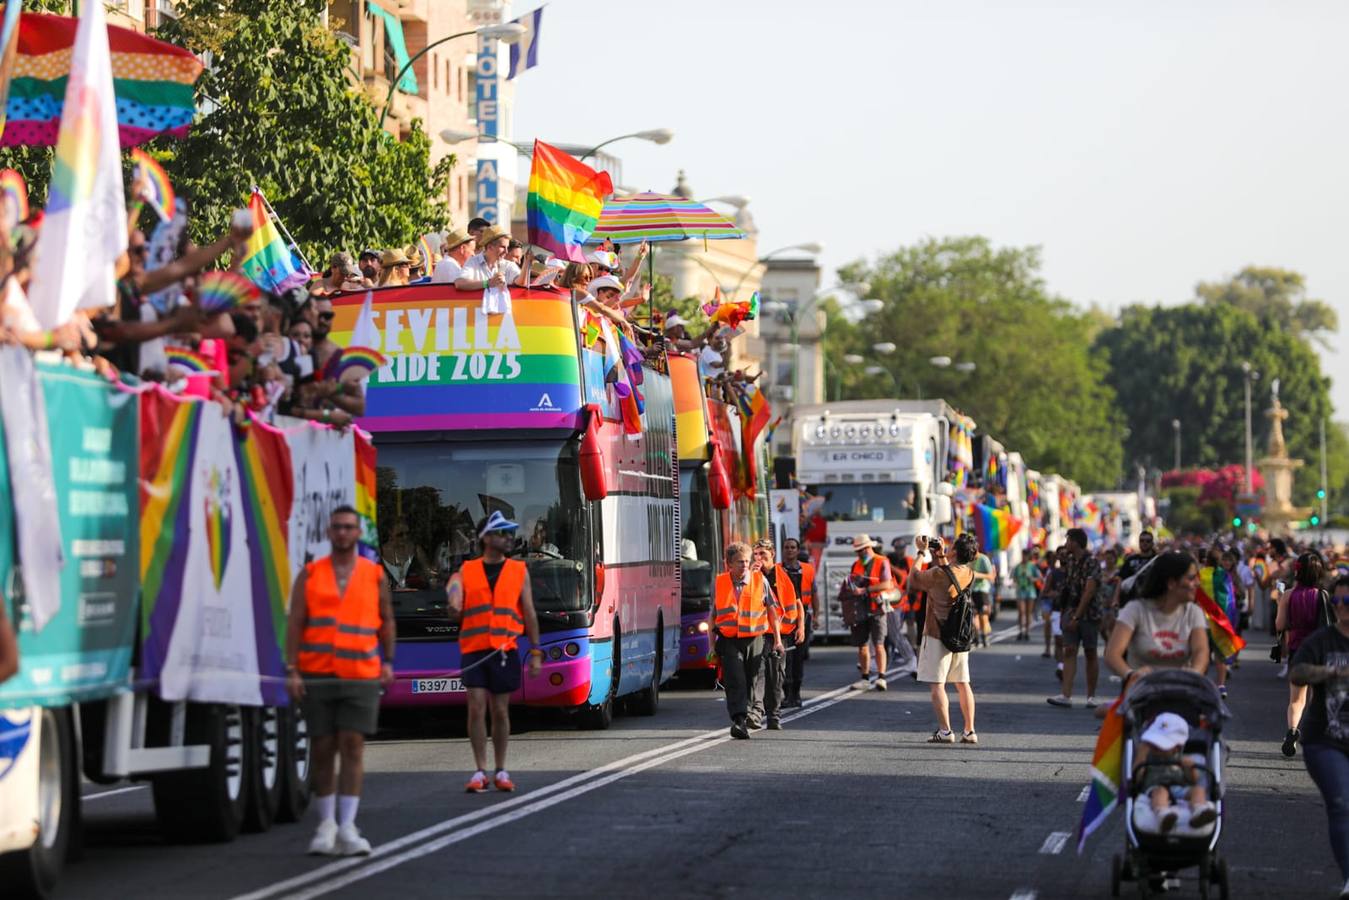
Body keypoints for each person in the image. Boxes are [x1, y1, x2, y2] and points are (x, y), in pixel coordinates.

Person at [284, 506, 394, 856]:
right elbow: (295, 622)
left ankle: (347, 826)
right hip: (318, 674)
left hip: (361, 673)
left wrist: (389, 661)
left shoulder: (373, 574)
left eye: (349, 527)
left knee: (353, 745)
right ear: (329, 532)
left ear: (357, 533)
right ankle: (326, 824)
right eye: (337, 527)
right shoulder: (310, 574)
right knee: (322, 747)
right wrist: (292, 669)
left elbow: (386, 619)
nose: (343, 532)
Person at [445, 511, 543, 792]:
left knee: (500, 711)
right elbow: (454, 599)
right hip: (474, 651)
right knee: (476, 708)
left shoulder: (518, 571)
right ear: (486, 538)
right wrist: (453, 605)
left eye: (510, 533)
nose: (509, 538)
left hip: (503, 651)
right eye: (502, 533)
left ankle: (501, 769)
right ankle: (479, 771)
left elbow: (529, 613)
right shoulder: (465, 571)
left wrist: (536, 652)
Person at [1290, 574, 1349, 897]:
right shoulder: (1322, 640)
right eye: (1336, 601)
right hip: (1326, 738)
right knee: (1341, 804)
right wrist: (1330, 671)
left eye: (1347, 601)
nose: (1341, 607)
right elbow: (1298, 672)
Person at [909, 533, 980, 744]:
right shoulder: (969, 573)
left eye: (952, 546)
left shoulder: (937, 574)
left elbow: (914, 578)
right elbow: (950, 576)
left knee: (937, 684)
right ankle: (969, 730)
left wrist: (921, 552)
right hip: (959, 634)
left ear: (955, 551)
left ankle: (945, 730)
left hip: (937, 633)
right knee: (963, 683)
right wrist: (940, 555)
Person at [1103, 550, 1210, 680]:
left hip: (1181, 687)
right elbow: (1112, 654)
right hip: (1142, 687)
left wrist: (1195, 673)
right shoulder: (1135, 610)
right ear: (1171, 583)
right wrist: (1130, 674)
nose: (1197, 583)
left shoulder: (1193, 612)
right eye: (1191, 578)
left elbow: (1201, 651)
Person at [713, 542, 783, 740]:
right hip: (730, 639)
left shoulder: (760, 580)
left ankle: (753, 712)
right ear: (729, 564)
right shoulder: (719, 582)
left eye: (746, 561)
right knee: (735, 678)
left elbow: (772, 611)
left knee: (753, 677)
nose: (744, 565)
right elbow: (713, 614)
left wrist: (777, 640)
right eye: (739, 562)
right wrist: (711, 645)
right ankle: (739, 720)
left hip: (755, 638)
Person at [1278, 550, 1328, 757]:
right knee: (1318, 698)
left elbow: (1280, 624)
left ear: (1297, 571)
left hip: (1297, 649)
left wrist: (1280, 603)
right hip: (1320, 651)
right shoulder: (1322, 595)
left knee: (1296, 700)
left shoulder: (1289, 595)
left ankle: (1292, 730)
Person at [1134, 712, 1217, 833]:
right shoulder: (1148, 757)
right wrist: (1141, 755)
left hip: (1179, 788)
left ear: (1177, 748)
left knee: (1198, 789)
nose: (1155, 746)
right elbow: (1137, 778)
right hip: (1154, 788)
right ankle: (1163, 815)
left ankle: (1199, 811)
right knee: (1160, 792)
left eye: (1160, 744)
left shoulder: (1182, 759)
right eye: (1153, 742)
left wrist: (1190, 769)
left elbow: (1193, 780)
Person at [748, 540, 800, 730]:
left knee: (775, 677)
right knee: (757, 673)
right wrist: (751, 575)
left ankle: (773, 716)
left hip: (779, 635)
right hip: (758, 632)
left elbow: (798, 603)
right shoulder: (751, 575)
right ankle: (756, 712)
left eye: (763, 553)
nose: (759, 557)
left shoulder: (785, 576)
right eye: (756, 554)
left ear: (772, 554)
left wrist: (801, 627)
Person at [1049, 528, 1103, 709]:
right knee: (1069, 651)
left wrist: (1077, 617)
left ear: (1075, 542)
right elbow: (1067, 588)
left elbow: (1089, 591)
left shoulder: (1092, 562)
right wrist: (1064, 613)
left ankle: (1091, 696)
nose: (1066, 544)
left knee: (1090, 652)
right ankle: (1066, 695)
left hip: (1089, 614)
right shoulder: (1070, 561)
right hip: (1071, 612)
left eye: (1068, 540)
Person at [848, 534, 896, 691]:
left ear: (868, 548)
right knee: (862, 645)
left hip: (877, 608)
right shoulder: (856, 565)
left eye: (861, 550)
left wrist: (865, 590)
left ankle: (881, 678)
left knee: (879, 644)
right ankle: (865, 678)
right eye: (857, 550)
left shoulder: (882, 561)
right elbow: (851, 583)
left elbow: (887, 583)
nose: (859, 553)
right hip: (860, 609)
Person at [778, 537, 817, 708]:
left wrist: (817, 615)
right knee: (786, 656)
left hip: (803, 615)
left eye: (793, 547)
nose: (789, 550)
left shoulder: (808, 569)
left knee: (799, 656)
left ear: (798, 550)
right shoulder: (777, 569)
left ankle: (797, 694)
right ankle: (787, 695)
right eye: (787, 547)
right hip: (783, 617)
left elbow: (814, 593)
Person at [1117, 530, 1158, 607]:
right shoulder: (1130, 560)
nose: (1144, 543)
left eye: (1148, 541)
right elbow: (1120, 579)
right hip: (1131, 601)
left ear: (1152, 543)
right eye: (1142, 541)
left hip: (1151, 601)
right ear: (1139, 543)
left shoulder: (1158, 561)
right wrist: (1116, 599)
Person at [969, 549, 996, 648]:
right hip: (971, 591)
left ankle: (985, 636)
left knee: (983, 616)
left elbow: (991, 576)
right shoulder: (968, 558)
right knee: (973, 616)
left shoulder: (984, 559)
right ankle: (976, 637)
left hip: (982, 590)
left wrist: (977, 575)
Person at [1013, 551, 1042, 642]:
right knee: (1021, 612)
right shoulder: (1018, 566)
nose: (1024, 558)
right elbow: (1014, 577)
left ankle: (1027, 632)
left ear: (1028, 557)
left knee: (1028, 613)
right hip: (1020, 591)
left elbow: (1040, 577)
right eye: (1023, 556)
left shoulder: (1032, 566)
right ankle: (1020, 631)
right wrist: (1016, 582)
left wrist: (1032, 579)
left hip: (1030, 591)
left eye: (1025, 556)